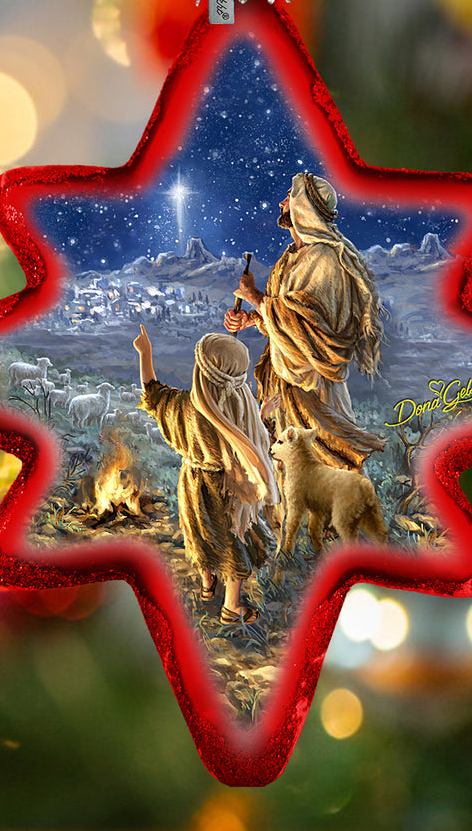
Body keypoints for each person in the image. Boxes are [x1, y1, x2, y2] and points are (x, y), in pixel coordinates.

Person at [224, 172, 387, 470]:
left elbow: (310, 329)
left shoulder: (325, 260)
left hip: (315, 390)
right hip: (285, 386)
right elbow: (286, 326)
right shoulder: (291, 257)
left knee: (326, 476)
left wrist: (256, 297)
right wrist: (252, 319)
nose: (281, 203)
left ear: (304, 207)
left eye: (289, 197)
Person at [133, 325, 279, 625]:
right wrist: (262, 415)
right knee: (232, 540)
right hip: (228, 491)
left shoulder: (182, 408)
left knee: (200, 533)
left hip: (192, 483)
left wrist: (145, 352)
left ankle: (207, 585)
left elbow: (152, 392)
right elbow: (254, 443)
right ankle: (231, 606)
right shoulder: (241, 412)